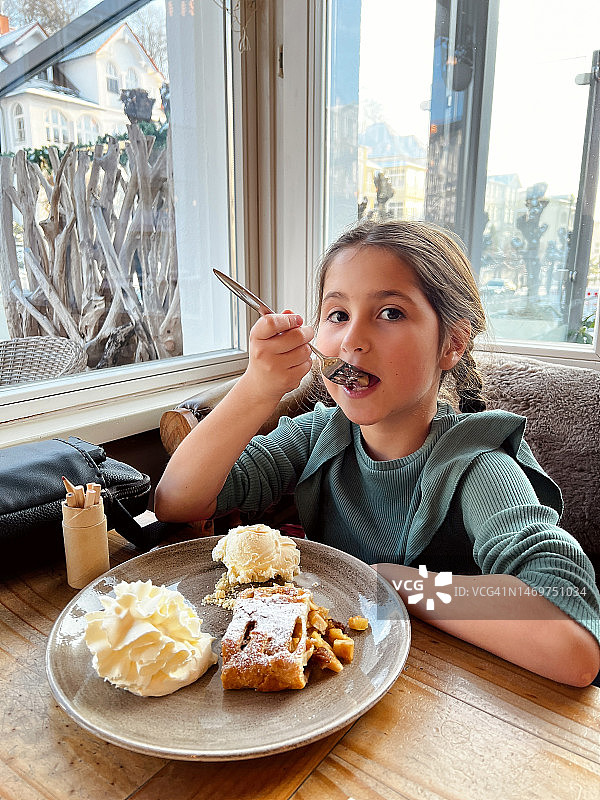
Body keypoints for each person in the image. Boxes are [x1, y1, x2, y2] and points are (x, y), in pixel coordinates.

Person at [155, 219, 600, 686]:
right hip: (337, 688)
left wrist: (397, 581)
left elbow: (571, 642)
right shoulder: (319, 437)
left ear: (451, 343)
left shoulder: (478, 465)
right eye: (337, 315)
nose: (352, 340)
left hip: (446, 703)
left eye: (390, 313)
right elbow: (177, 500)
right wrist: (255, 389)